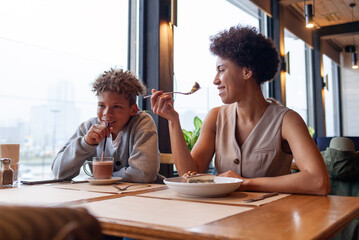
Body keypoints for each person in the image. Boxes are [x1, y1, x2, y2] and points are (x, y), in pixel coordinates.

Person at [150, 25, 330, 195]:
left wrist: (244, 183)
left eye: (221, 70)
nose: (215, 80)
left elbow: (319, 182)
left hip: (273, 220)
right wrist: (173, 121)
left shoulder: (287, 120)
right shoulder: (216, 116)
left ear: (246, 72)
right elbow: (189, 174)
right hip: (223, 217)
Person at [52, 68, 160, 183]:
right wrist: (85, 143)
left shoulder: (142, 123)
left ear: (133, 110)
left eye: (117, 106)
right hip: (103, 197)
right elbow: (59, 172)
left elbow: (143, 174)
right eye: (101, 105)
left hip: (143, 196)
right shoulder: (88, 128)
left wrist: (104, 177)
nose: (106, 113)